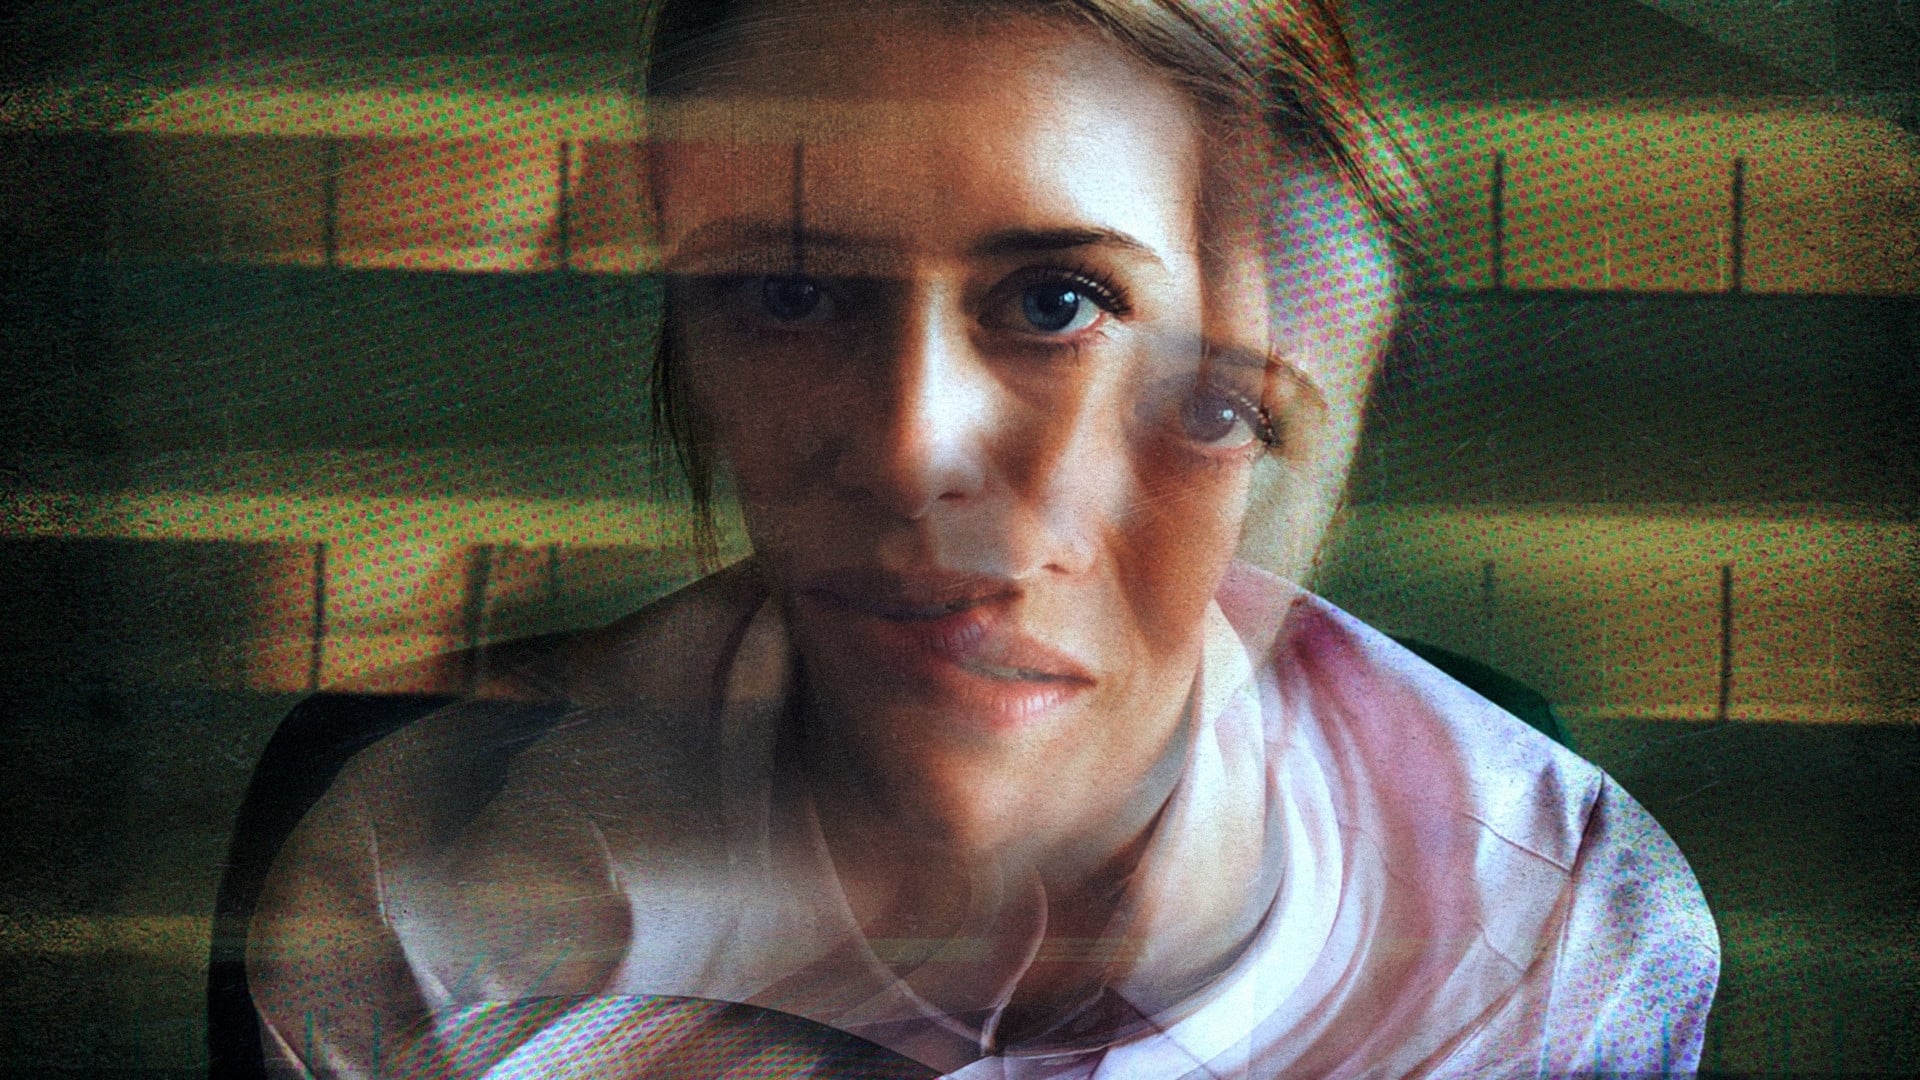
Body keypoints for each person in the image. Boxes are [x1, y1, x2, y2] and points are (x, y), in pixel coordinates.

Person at [244, 0, 1720, 1075]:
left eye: (1055, 300)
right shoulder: (434, 895)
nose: (909, 449)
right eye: (790, 295)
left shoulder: (1543, 936)